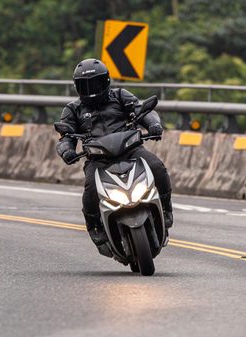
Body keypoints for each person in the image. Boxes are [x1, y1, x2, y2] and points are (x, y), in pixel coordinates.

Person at [56, 58, 173, 249]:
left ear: (106, 81)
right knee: (91, 188)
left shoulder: (120, 95)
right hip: (97, 158)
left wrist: (153, 124)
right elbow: (65, 137)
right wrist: (66, 150)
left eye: (96, 83)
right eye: (86, 85)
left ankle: (166, 208)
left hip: (131, 150)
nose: (92, 90)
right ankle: (94, 226)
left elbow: (141, 110)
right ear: (77, 87)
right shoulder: (72, 109)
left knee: (157, 167)